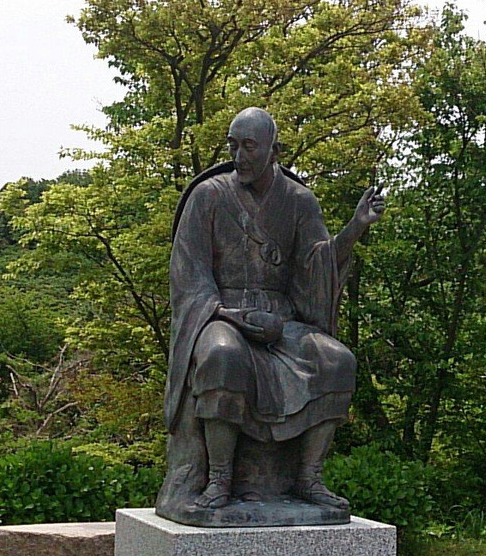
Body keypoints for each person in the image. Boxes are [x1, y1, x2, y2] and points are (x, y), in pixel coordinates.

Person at [156, 108, 384, 518]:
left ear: (273, 151)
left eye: (249, 146)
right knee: (222, 356)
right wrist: (224, 313)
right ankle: (219, 479)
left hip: (281, 320)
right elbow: (188, 273)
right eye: (233, 145)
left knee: (337, 361)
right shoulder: (208, 196)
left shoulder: (299, 201)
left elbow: (316, 268)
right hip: (221, 314)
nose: (239, 155)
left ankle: (308, 477)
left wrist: (354, 228)